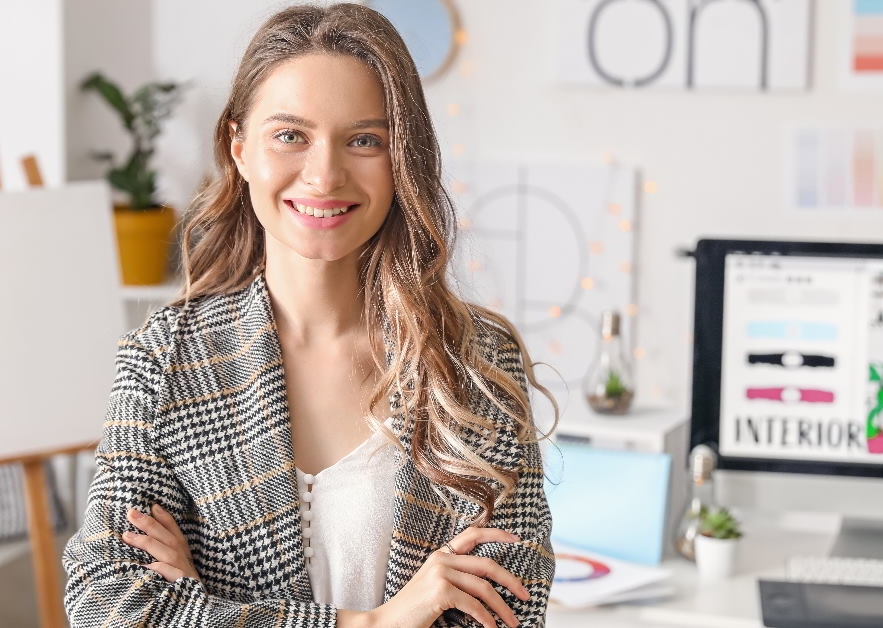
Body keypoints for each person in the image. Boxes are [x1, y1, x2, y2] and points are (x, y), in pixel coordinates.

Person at [62, 4, 558, 627]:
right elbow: (107, 609)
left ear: (403, 158)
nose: (325, 175)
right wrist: (378, 622)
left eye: (364, 140)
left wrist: (203, 607)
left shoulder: (476, 362)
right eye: (291, 135)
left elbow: (511, 614)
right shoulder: (163, 361)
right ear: (238, 149)